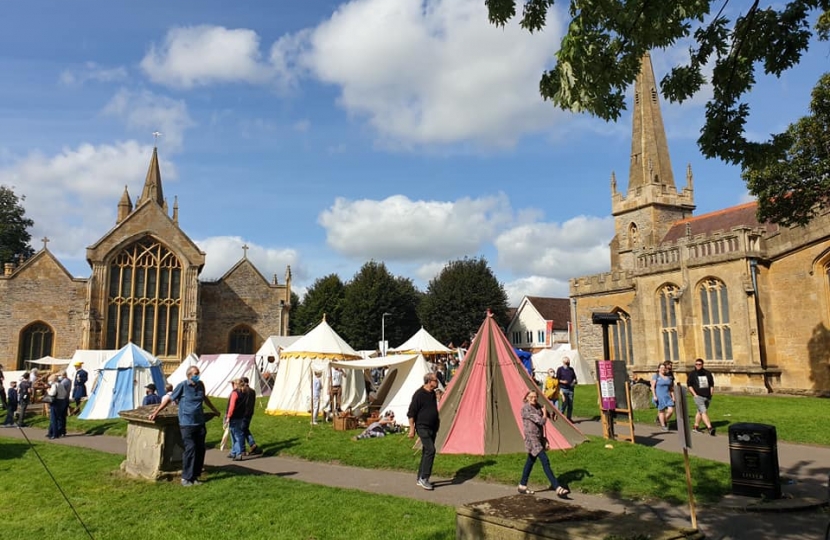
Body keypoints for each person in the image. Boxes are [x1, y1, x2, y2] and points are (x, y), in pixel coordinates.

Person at [149, 366, 221, 486]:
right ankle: (186, 477)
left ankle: (195, 476)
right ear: (189, 375)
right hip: (187, 423)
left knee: (200, 449)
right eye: (195, 374)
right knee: (190, 449)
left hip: (199, 422)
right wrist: (156, 412)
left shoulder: (200, 385)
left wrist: (214, 409)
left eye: (198, 373)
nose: (198, 375)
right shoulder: (182, 386)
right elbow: (168, 399)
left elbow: (204, 398)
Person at [517, 390, 569, 497]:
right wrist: (545, 414)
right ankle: (557, 487)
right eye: (531, 397)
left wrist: (551, 415)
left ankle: (522, 485)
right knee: (545, 461)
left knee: (530, 461)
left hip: (538, 437)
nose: (534, 398)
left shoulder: (537, 406)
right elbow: (541, 421)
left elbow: (545, 414)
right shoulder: (525, 409)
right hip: (532, 439)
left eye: (535, 396)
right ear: (526, 398)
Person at [407, 373, 440, 491]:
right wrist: (412, 429)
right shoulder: (419, 395)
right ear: (429, 381)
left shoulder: (432, 394)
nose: (437, 382)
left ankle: (419, 477)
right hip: (422, 427)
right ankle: (424, 478)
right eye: (435, 380)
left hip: (432, 427)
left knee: (426, 451)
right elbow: (411, 413)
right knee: (431, 450)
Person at [687, 358, 716, 436]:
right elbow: (689, 385)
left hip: (707, 396)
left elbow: (711, 384)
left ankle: (695, 426)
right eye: (696, 364)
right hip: (698, 396)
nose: (698, 366)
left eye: (699, 364)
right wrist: (694, 395)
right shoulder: (692, 374)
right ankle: (710, 428)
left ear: (702, 365)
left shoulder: (707, 373)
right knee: (703, 412)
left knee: (700, 411)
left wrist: (711, 394)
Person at [225, 378, 249, 461]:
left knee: (236, 435)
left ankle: (238, 453)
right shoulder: (244, 393)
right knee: (234, 434)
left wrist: (228, 416)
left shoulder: (235, 393)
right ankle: (234, 451)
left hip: (234, 417)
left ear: (235, 384)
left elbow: (231, 406)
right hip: (241, 416)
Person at [651, 362, 675, 432]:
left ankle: (663, 421)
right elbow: (652, 387)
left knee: (670, 411)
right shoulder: (656, 376)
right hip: (659, 396)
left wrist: (673, 396)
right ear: (658, 369)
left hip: (667, 396)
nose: (663, 369)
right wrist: (654, 396)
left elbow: (670, 388)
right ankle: (663, 426)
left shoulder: (668, 377)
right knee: (661, 411)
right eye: (661, 368)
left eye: (664, 368)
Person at [240, 376, 261, 455]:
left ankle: (242, 449)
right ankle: (252, 444)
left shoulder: (244, 391)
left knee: (241, 430)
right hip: (250, 412)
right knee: (245, 429)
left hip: (244, 413)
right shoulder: (253, 391)